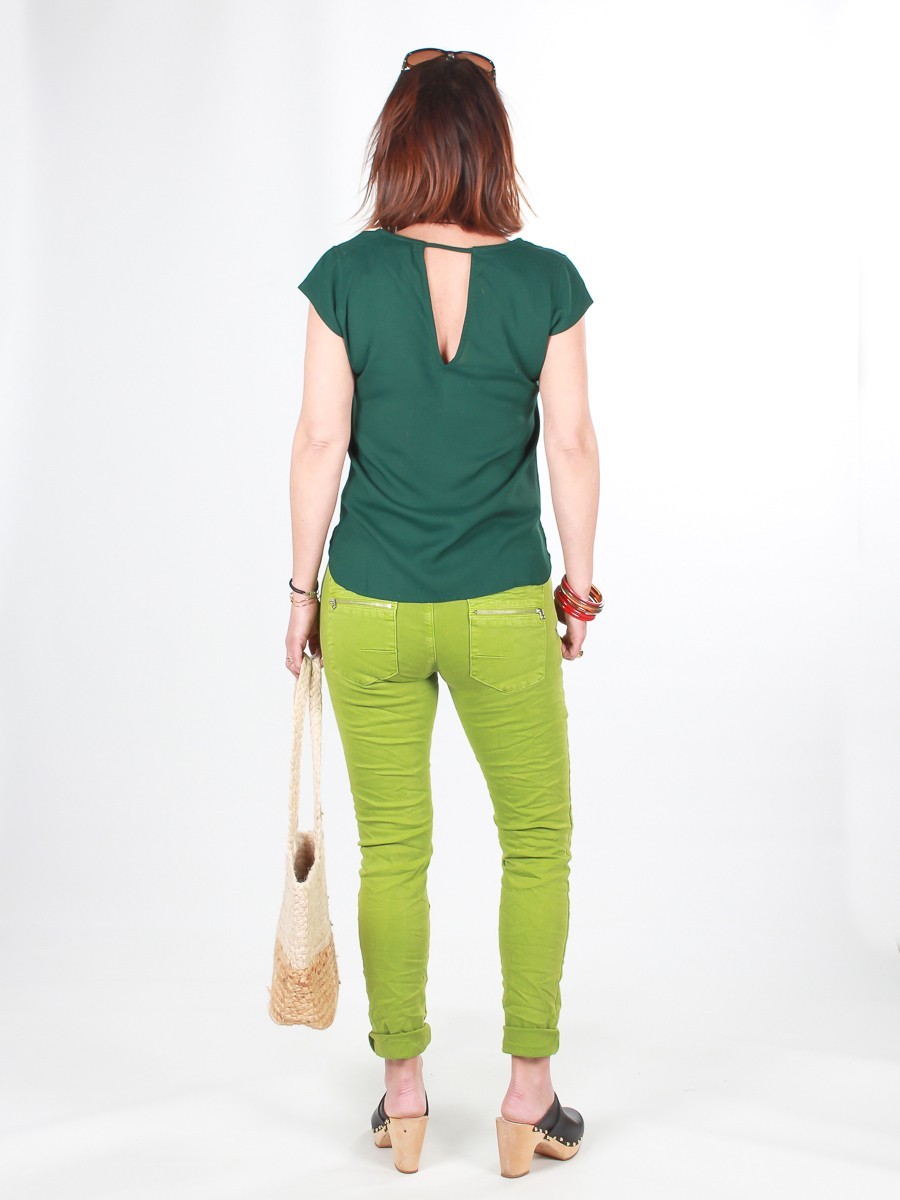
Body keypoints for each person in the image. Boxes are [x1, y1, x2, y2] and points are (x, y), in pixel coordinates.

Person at [284, 47, 601, 1177]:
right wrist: (579, 586)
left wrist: (299, 594)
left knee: (394, 852)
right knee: (537, 843)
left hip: (370, 602)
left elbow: (320, 441)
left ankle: (405, 1098)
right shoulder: (547, 281)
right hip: (504, 607)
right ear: (490, 147)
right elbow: (571, 443)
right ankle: (528, 1098)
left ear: (399, 144)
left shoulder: (345, 276)